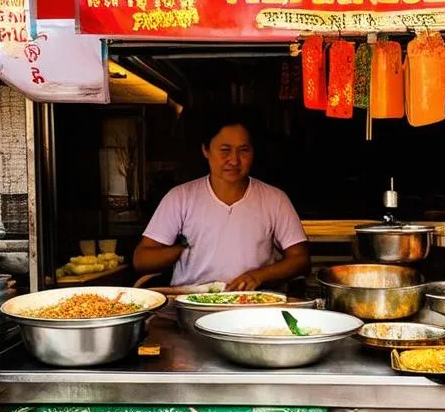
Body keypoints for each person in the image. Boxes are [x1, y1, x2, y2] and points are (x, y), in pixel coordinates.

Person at [133, 111, 311, 290]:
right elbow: (141, 259)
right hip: (191, 304)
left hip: (253, 305)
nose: (234, 160)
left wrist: (258, 276)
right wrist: (179, 250)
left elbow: (300, 259)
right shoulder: (180, 198)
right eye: (225, 150)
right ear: (205, 150)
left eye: (243, 150)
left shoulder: (275, 199)